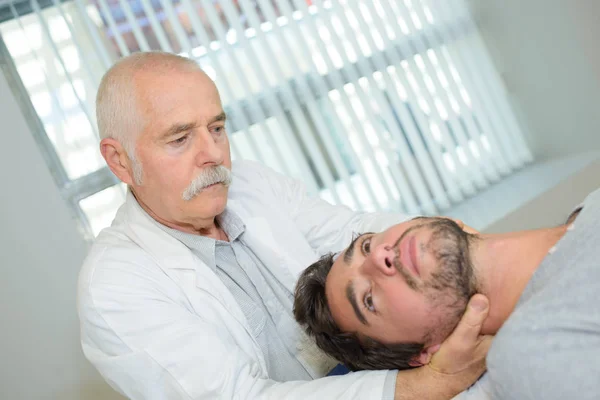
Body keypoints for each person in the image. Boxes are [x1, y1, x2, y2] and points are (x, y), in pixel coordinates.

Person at [77, 51, 491, 400]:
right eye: (180, 138)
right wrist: (422, 386)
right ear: (120, 161)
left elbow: (348, 232)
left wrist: (440, 236)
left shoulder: (251, 182)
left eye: (217, 128)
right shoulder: (114, 284)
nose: (214, 154)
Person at [294, 187, 600, 399]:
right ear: (423, 353)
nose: (378, 258)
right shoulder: (531, 355)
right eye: (368, 300)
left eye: (366, 246)